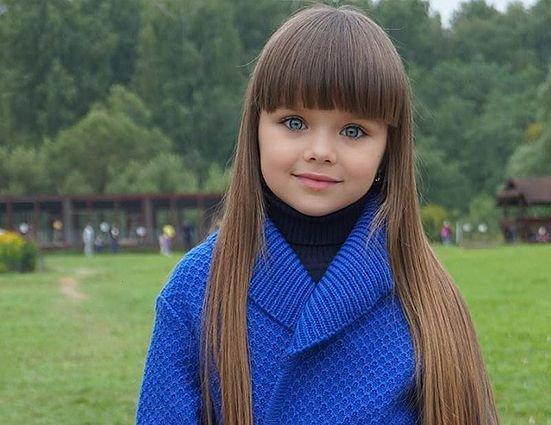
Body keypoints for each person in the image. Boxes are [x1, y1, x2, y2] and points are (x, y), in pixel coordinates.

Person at [136, 5, 499, 425]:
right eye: (294, 122)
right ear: (256, 129)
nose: (321, 151)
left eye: (353, 131)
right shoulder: (194, 290)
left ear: (388, 148)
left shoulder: (430, 297)